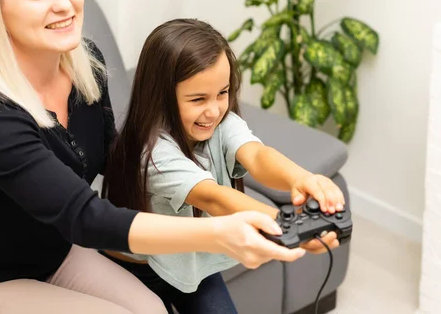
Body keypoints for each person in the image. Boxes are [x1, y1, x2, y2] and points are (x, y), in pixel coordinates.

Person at [0, 0, 313, 314]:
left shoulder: (85, 65)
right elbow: (83, 217)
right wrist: (218, 233)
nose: (64, 3)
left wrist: (215, 184)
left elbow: (116, 157)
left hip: (52, 254)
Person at [101, 18, 346, 313]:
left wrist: (302, 178)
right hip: (138, 267)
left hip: (187, 258)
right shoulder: (153, 154)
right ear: (161, 96)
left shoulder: (221, 122)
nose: (214, 109)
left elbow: (256, 156)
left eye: (222, 92)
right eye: (197, 99)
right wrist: (288, 227)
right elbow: (213, 197)